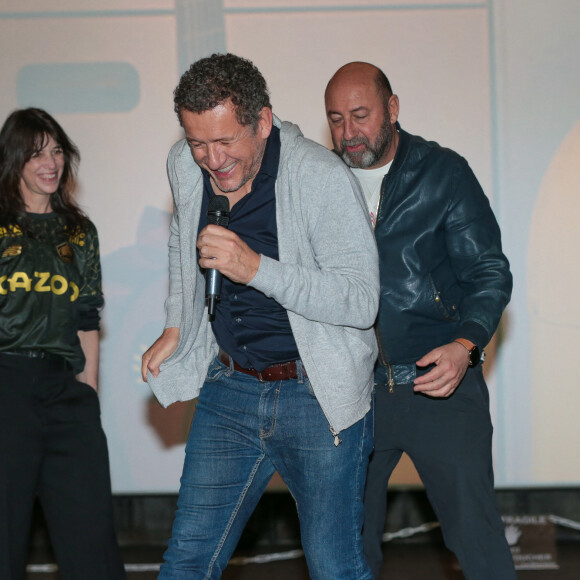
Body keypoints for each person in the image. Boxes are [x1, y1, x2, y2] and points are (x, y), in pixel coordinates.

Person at [142, 53, 379, 580]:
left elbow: (362, 300)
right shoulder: (185, 164)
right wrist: (178, 324)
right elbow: (186, 241)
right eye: (198, 141)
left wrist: (254, 268)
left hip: (315, 395)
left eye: (225, 141)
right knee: (187, 560)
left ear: (263, 122)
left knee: (334, 567)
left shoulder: (319, 177)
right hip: (229, 387)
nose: (211, 158)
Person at [325, 62, 517, 580]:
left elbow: (489, 271)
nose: (348, 133)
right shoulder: (321, 182)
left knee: (476, 539)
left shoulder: (443, 172)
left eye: (360, 115)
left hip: (439, 384)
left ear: (392, 108)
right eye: (336, 119)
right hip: (353, 394)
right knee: (345, 545)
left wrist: (467, 343)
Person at [0, 108, 126, 580]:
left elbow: (86, 316)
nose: (50, 163)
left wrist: (88, 390)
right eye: (36, 154)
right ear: (14, 160)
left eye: (56, 151)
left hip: (65, 392)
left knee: (90, 535)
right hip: (6, 386)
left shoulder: (79, 231)